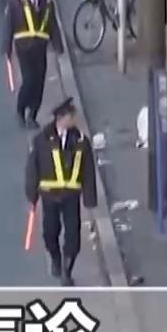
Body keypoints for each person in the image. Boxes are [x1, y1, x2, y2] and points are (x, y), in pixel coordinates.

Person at [24, 97, 98, 285]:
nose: (74, 120)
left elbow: (88, 170)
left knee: (73, 236)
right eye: (71, 116)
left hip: (71, 196)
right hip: (50, 195)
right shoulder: (41, 140)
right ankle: (55, 259)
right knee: (50, 232)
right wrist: (32, 195)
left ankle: (67, 271)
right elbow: (33, 168)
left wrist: (89, 198)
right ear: (61, 118)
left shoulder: (80, 141)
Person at [4, 0, 65, 126]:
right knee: (29, 79)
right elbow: (10, 23)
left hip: (40, 46)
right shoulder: (16, 1)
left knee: (39, 81)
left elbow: (52, 24)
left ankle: (32, 115)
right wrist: (7, 45)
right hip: (24, 46)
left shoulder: (47, 1)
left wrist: (58, 45)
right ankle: (20, 110)